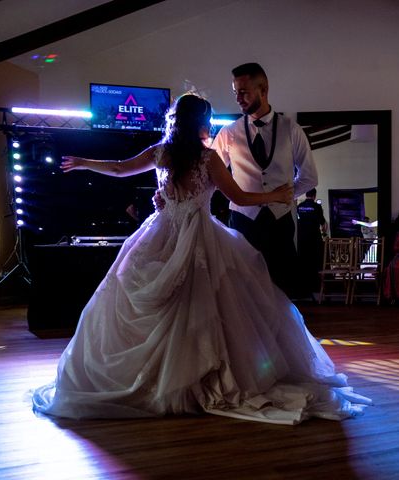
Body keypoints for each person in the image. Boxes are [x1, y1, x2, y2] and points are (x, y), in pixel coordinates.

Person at [32, 93, 370, 424]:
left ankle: (162, 377)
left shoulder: (161, 153)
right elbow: (237, 196)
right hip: (198, 235)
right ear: (201, 122)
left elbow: (121, 169)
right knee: (207, 306)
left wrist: (84, 163)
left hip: (161, 232)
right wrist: (276, 194)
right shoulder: (207, 159)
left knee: (167, 303)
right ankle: (200, 375)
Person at [212, 63, 318, 298]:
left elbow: (310, 177)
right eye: (235, 92)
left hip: (280, 222)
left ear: (264, 89)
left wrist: (285, 197)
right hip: (242, 221)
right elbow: (209, 173)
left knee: (281, 290)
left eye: (244, 91)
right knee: (244, 290)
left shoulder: (292, 129)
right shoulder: (229, 132)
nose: (238, 99)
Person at [296, 188, 327, 294]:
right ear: (314, 195)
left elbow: (297, 220)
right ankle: (316, 286)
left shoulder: (299, 206)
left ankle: (305, 285)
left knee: (304, 259)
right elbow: (323, 222)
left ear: (306, 194)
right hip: (314, 236)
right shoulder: (317, 207)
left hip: (301, 237)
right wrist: (324, 233)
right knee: (316, 259)